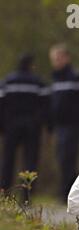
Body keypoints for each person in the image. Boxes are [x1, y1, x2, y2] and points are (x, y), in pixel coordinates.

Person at [49, 43, 79, 201]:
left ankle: (69, 193)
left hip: (74, 124)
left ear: (67, 58)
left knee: (69, 157)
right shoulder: (55, 78)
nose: (56, 61)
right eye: (54, 59)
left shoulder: (78, 76)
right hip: (60, 125)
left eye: (59, 58)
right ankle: (66, 191)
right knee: (61, 157)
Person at [0, 54, 51, 196]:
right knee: (30, 161)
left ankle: (4, 193)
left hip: (10, 126)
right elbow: (46, 105)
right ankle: (27, 195)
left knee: (7, 160)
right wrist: (46, 125)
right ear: (31, 65)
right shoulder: (38, 82)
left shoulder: (8, 81)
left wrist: (2, 125)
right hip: (32, 127)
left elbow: (1, 104)